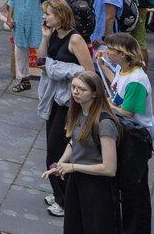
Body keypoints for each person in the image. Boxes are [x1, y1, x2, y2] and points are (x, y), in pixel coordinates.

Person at [99, 32, 154, 233]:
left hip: (135, 139)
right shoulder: (124, 70)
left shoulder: (137, 79)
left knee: (135, 189)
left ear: (123, 54)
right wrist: (104, 68)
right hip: (127, 134)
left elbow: (127, 111)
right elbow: (117, 87)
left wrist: (102, 104)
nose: (108, 52)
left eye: (111, 49)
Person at [43, 72, 120, 234]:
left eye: (81, 89)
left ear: (95, 93)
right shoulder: (77, 111)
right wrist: (61, 163)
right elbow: (74, 141)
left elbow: (109, 168)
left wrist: (73, 167)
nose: (75, 92)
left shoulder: (105, 124)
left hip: (97, 188)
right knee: (72, 227)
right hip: (76, 182)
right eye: (74, 87)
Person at [36, 0, 93, 218]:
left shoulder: (75, 39)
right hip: (53, 99)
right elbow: (42, 57)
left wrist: (57, 69)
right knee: (52, 147)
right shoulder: (53, 34)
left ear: (60, 15)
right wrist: (45, 36)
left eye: (48, 14)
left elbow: (89, 72)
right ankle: (58, 191)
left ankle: (64, 200)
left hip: (69, 103)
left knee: (57, 150)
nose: (45, 18)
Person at [6, 0, 57, 93]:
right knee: (20, 48)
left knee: (42, 50)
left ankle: (49, 79)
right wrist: (9, 16)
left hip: (39, 18)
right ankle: (24, 79)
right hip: (20, 19)